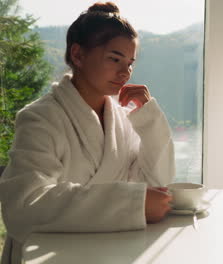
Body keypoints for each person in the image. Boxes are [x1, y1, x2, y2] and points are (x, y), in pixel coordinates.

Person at [0, 2, 175, 262]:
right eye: (115, 59)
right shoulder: (40, 118)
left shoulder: (123, 121)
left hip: (108, 250)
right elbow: (25, 206)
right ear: (78, 55)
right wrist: (130, 204)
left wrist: (150, 121)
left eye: (130, 63)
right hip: (48, 255)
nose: (125, 72)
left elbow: (158, 185)